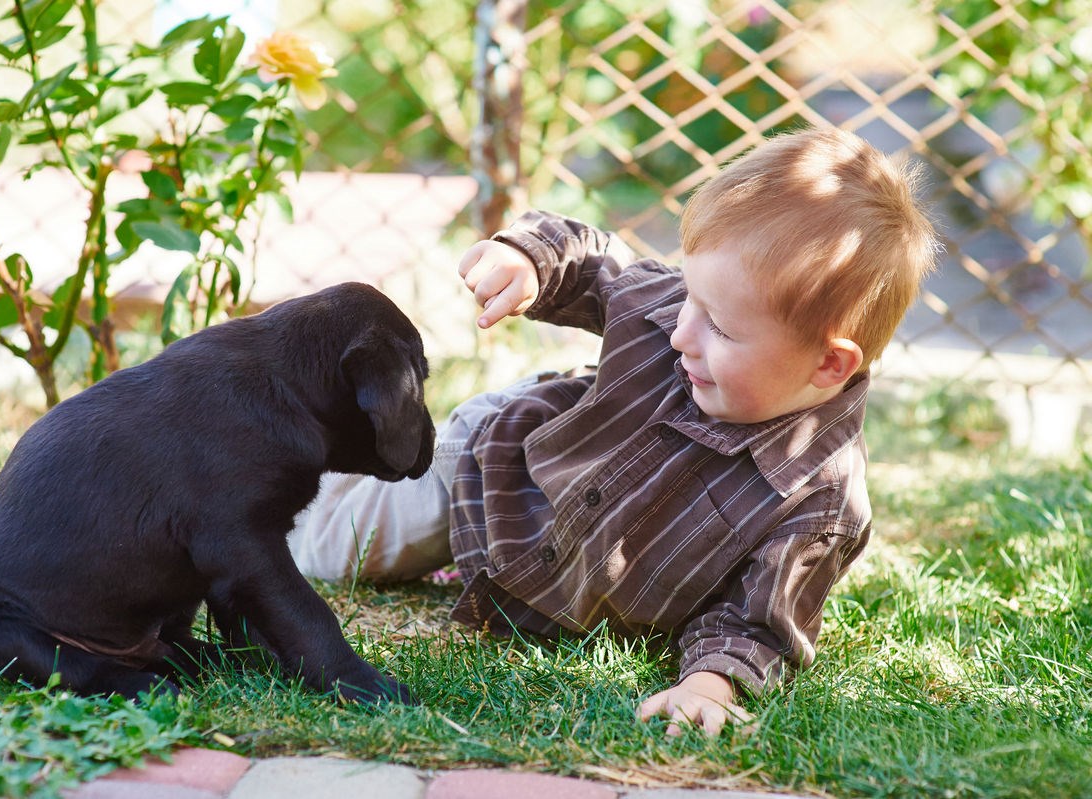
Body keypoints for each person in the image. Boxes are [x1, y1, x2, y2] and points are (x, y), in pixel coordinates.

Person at [288, 126, 939, 735]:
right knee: (332, 548)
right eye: (690, 298)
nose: (683, 331)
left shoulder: (816, 500)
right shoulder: (685, 313)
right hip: (488, 474)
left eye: (722, 328)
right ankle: (292, 459)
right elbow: (597, 263)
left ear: (830, 362)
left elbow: (757, 618)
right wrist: (529, 260)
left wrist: (712, 684)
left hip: (545, 562)